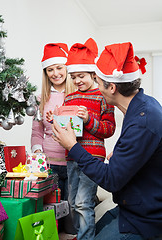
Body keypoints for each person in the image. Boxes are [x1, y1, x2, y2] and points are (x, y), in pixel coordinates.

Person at [51, 42, 162, 240]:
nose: (97, 87)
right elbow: (140, 150)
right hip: (131, 206)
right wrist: (121, 155)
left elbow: (111, 180)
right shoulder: (141, 107)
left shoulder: (143, 120)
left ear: (111, 87)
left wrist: (72, 146)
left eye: (99, 82)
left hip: (146, 218)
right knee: (91, 228)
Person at [47, 38, 116, 240]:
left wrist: (89, 119)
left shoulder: (103, 96)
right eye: (74, 76)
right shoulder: (69, 98)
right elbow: (64, 129)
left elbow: (109, 129)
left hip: (92, 157)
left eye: (82, 76)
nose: (77, 80)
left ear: (93, 74)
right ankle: (81, 233)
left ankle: (86, 237)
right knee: (72, 202)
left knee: (83, 202)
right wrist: (55, 120)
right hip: (71, 157)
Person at [31, 43, 76, 213]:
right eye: (50, 70)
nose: (55, 73)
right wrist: (37, 152)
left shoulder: (77, 95)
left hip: (72, 162)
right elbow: (36, 132)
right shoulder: (39, 98)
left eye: (59, 68)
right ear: (45, 73)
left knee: (72, 210)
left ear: (66, 68)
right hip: (48, 164)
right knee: (50, 211)